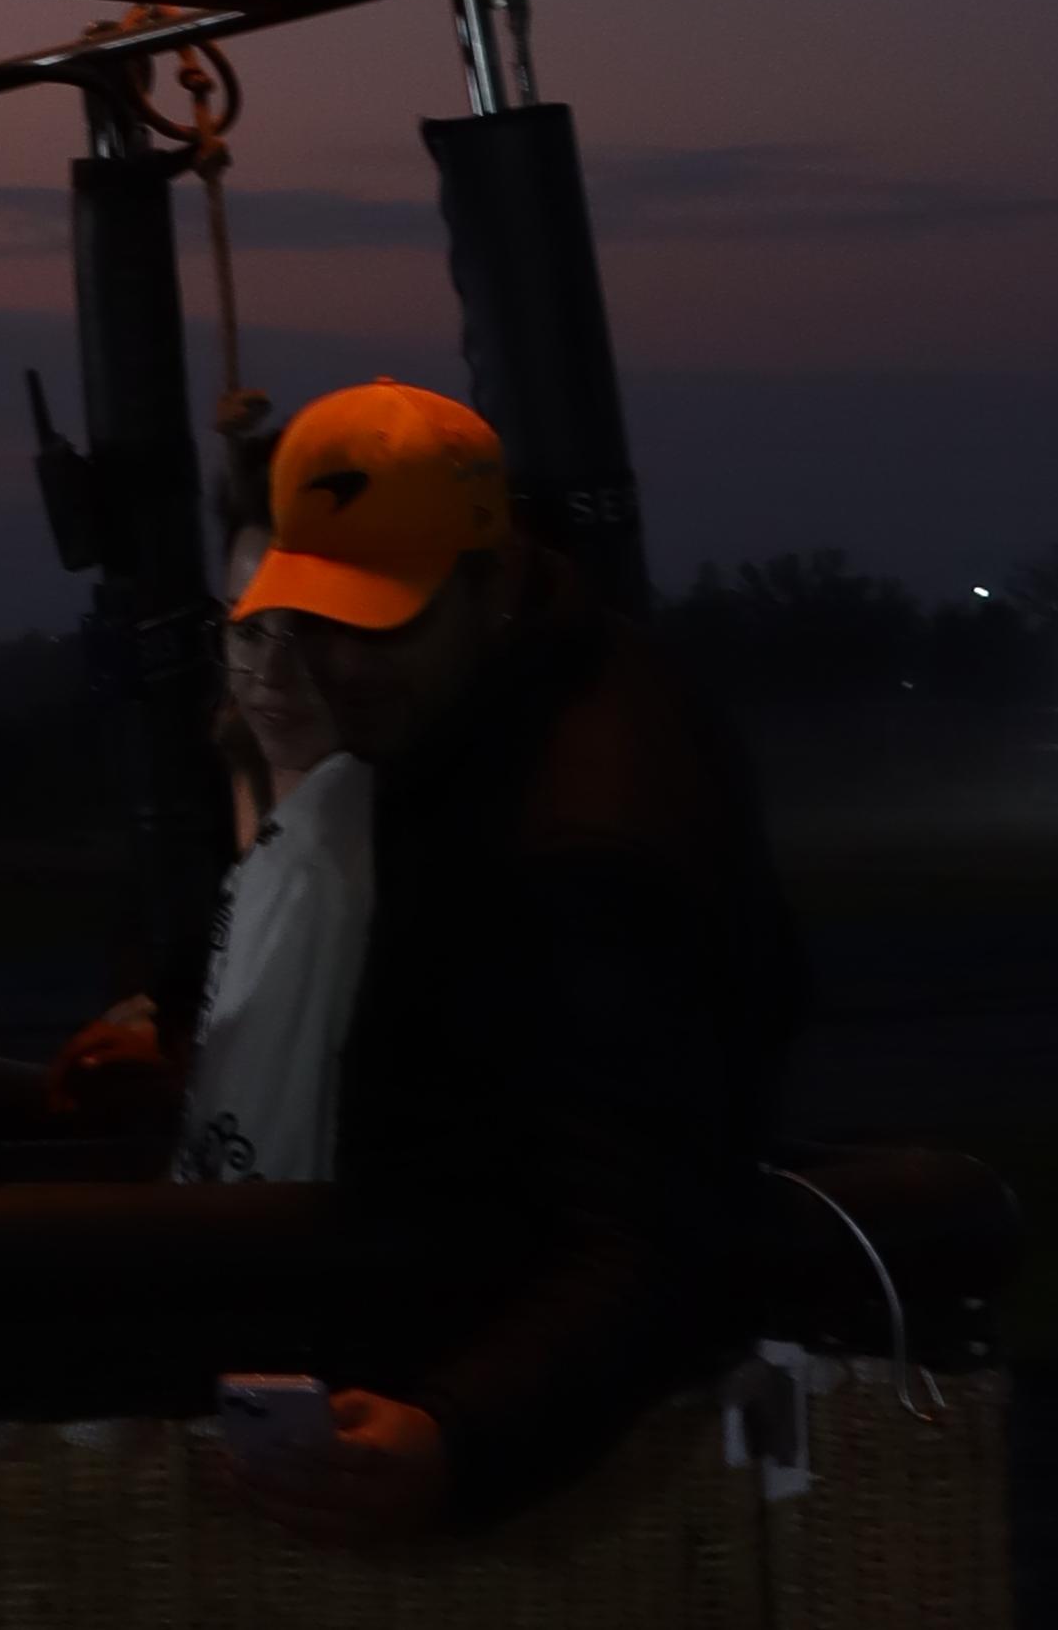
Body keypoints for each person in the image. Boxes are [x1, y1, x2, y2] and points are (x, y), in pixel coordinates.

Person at [209, 383, 799, 1548]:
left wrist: (461, 1433)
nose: (343, 665)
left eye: (387, 620)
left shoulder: (584, 839)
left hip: (531, 1469)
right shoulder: (483, 718)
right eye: (318, 619)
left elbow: (648, 1226)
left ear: (489, 578)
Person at [171, 532, 374, 1186]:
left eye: (312, 631)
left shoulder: (310, 869)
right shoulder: (296, 834)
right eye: (248, 628)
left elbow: (257, 1171)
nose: (271, 675)